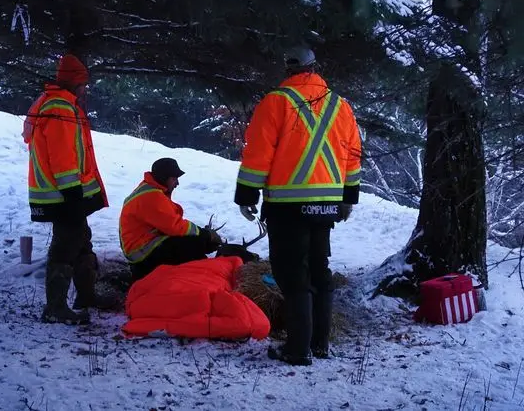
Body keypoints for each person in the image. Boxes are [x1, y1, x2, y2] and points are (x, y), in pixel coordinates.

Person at [234, 46, 362, 365]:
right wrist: (349, 197)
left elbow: (258, 154)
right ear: (315, 68)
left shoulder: (275, 102)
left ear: (287, 69)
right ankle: (320, 344)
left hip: (287, 207)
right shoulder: (339, 105)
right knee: (319, 271)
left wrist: (247, 196)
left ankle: (297, 349)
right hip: (326, 205)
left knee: (292, 275)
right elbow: (353, 155)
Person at [23, 53, 109, 325]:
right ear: (74, 84)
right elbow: (63, 157)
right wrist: (73, 193)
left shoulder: (56, 104)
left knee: (81, 238)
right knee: (66, 245)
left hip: (63, 192)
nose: (85, 89)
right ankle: (56, 307)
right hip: (63, 194)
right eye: (83, 84)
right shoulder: (60, 108)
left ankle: (86, 295)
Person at [119, 158, 222, 282]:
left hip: (141, 247)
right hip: (142, 254)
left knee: (192, 242)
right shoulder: (152, 196)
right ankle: (202, 278)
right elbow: (175, 226)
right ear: (163, 178)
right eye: (174, 179)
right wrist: (204, 235)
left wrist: (202, 237)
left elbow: (169, 222)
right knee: (190, 245)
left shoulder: (149, 189)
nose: (177, 183)